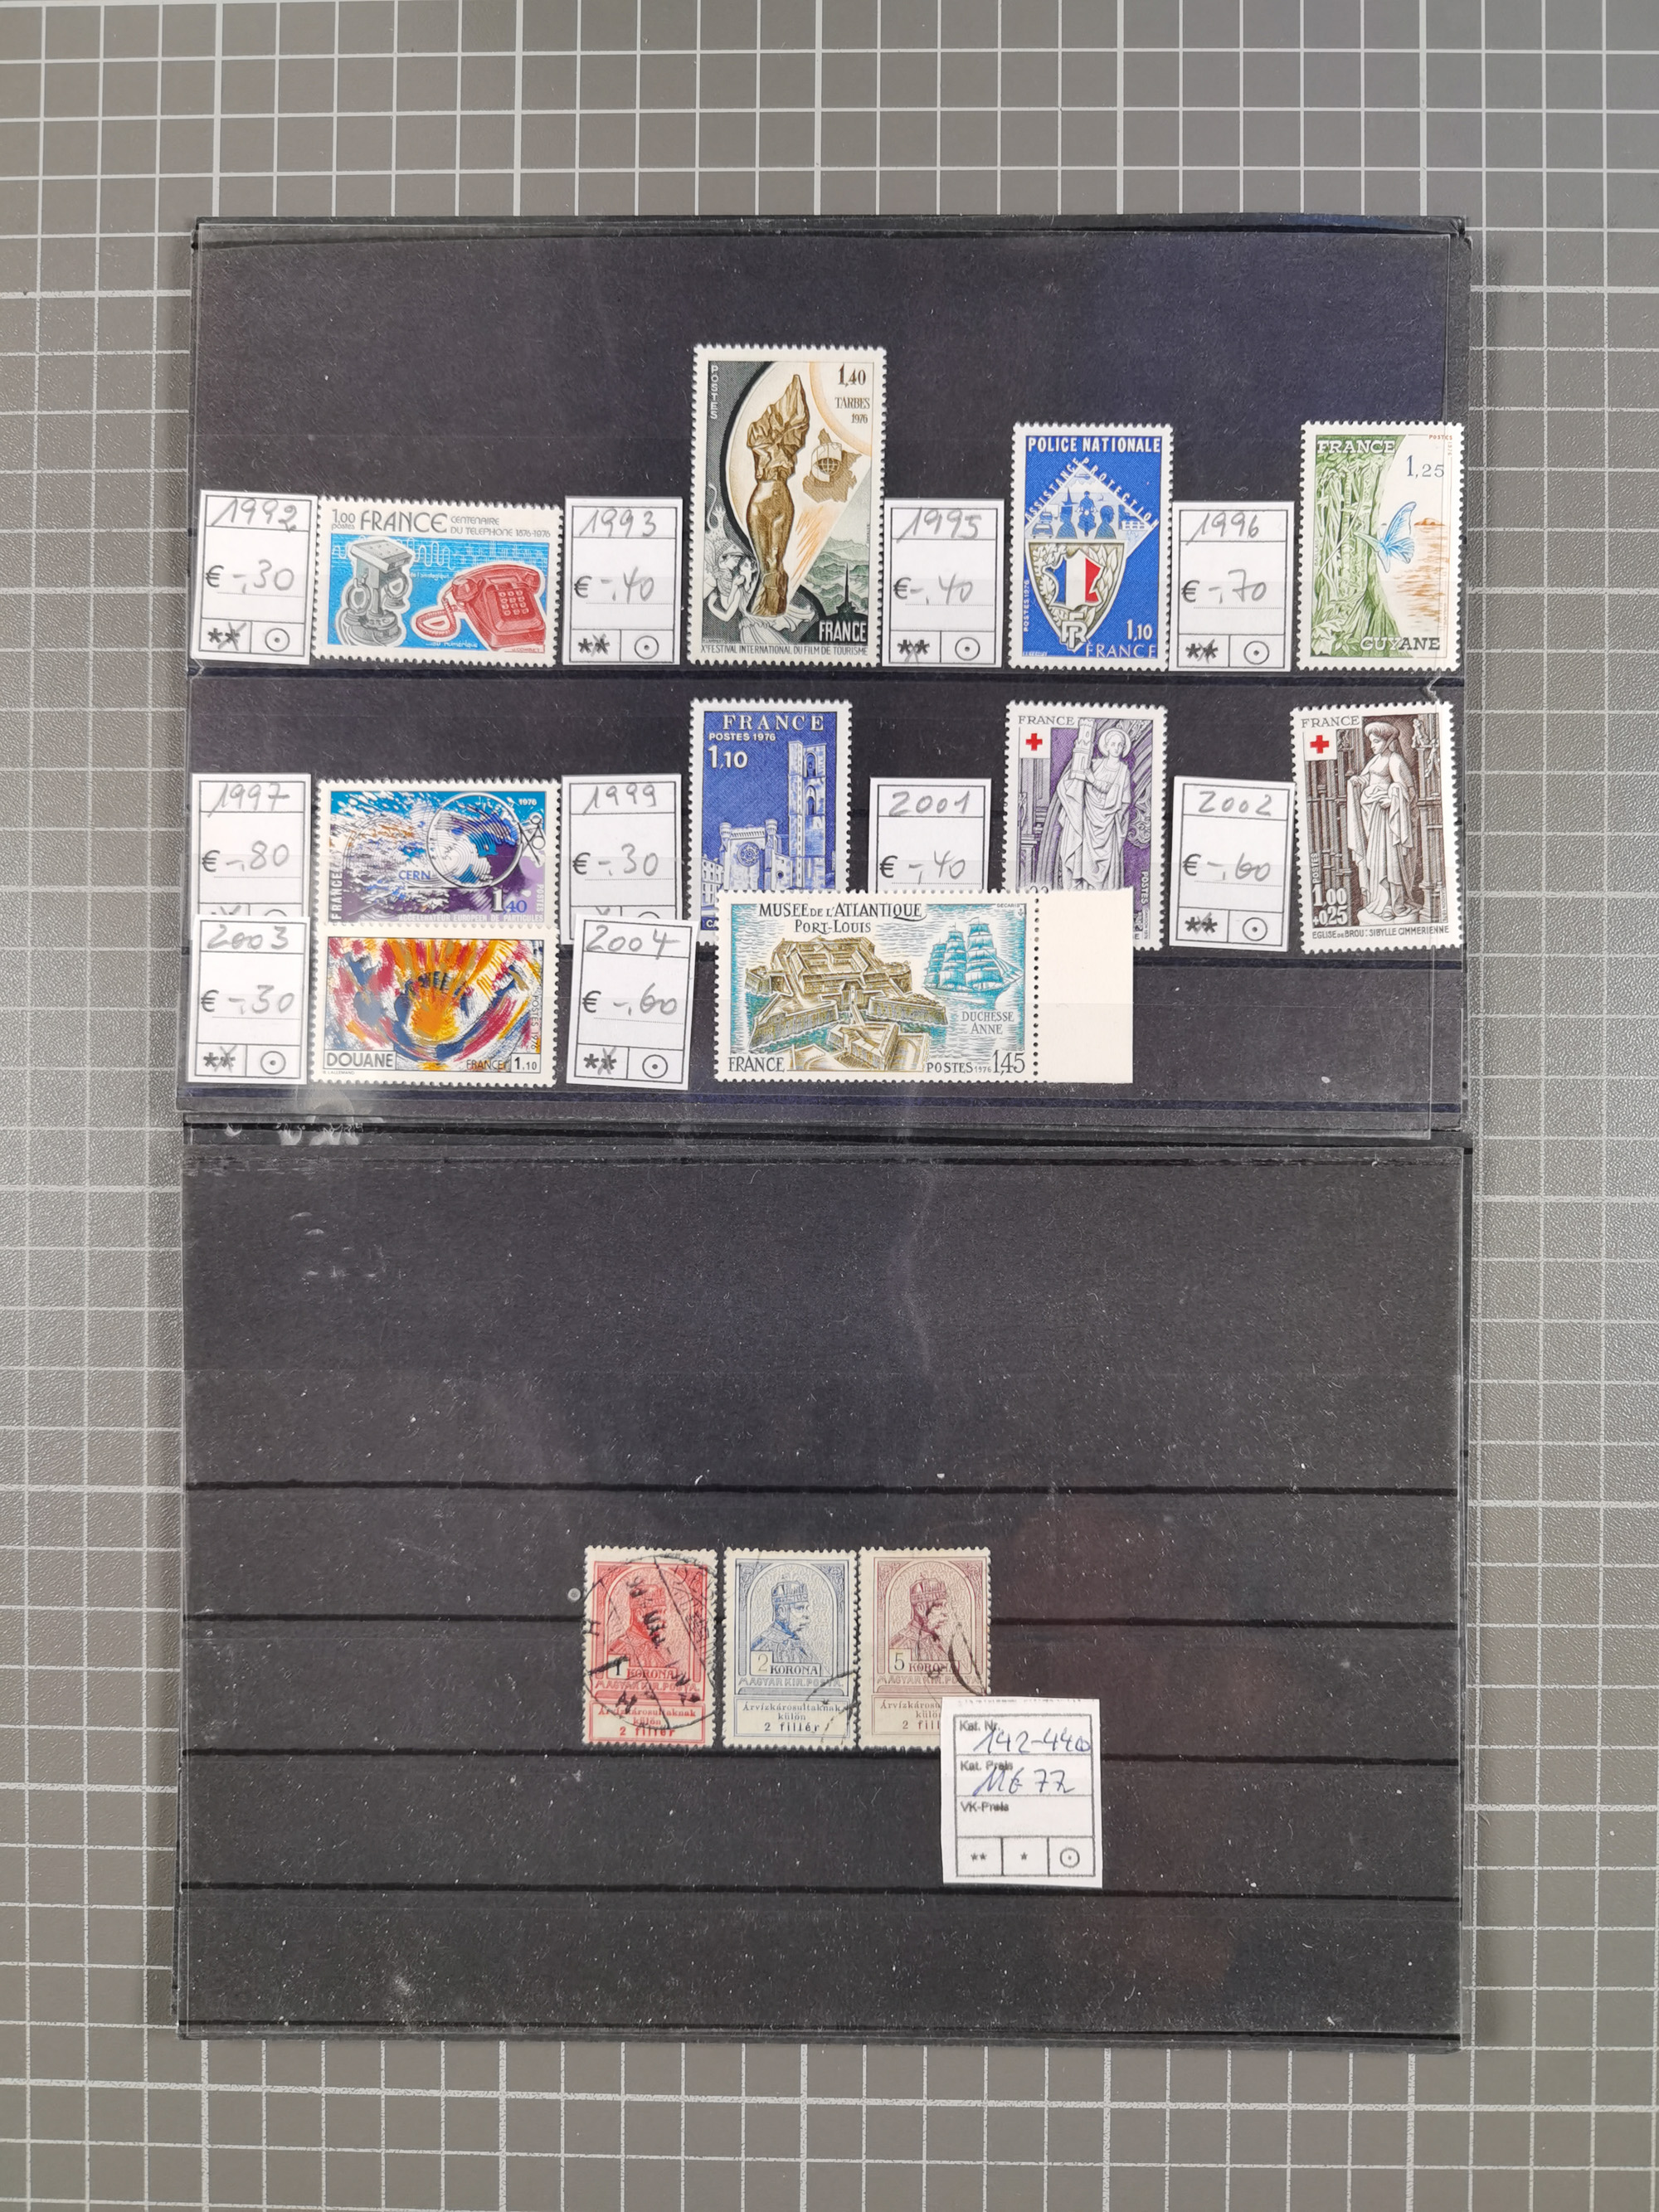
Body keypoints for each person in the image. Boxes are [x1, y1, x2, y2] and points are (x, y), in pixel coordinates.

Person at [1044, 721, 1135, 891]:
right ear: (1106, 746)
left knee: (1105, 875)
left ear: (1124, 748)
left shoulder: (1124, 771)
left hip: (1108, 828)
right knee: (1083, 860)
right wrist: (1077, 780)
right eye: (1113, 744)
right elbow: (1075, 779)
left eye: (1120, 745)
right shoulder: (1095, 764)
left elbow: (1123, 800)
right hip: (1087, 822)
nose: (1116, 748)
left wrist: (1093, 781)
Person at [1346, 720, 1421, 923]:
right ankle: (1379, 901)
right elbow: (1367, 779)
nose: (1373, 746)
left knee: (1389, 860)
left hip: (1390, 821)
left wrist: (1392, 800)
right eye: (1371, 742)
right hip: (1373, 817)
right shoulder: (1374, 760)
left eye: (1377, 741)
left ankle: (1394, 904)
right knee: (1376, 861)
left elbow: (1407, 789)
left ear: (1387, 741)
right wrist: (1357, 781)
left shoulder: (1395, 760)